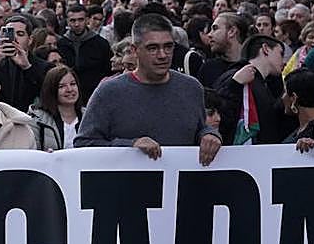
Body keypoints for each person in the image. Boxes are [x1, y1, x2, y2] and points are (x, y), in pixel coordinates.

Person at [76, 14, 222, 166]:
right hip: (127, 185)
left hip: (182, 186)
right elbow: (83, 143)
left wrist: (209, 134)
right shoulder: (109, 92)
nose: (162, 55)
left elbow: (198, 129)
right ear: (134, 50)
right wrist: (130, 146)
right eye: (153, 48)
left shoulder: (192, 88)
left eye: (168, 47)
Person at [213, 34, 289, 145]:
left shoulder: (267, 84)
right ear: (266, 49)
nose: (284, 61)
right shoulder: (235, 76)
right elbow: (218, 113)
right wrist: (234, 84)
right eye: (280, 53)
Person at [0, 15, 50, 113]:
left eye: (20, 34)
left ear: (30, 39)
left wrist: (27, 68)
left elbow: (47, 93)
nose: (15, 38)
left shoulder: (44, 67)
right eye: (10, 34)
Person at [56, 3, 112, 99]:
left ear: (86, 20)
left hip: (95, 93)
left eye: (80, 20)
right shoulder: (61, 44)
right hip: (68, 94)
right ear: (67, 22)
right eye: (73, 20)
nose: (77, 24)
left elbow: (108, 70)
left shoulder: (101, 43)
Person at [29, 65, 83, 151]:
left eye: (73, 84)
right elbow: (31, 152)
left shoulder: (89, 116)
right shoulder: (37, 119)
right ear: (51, 90)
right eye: (61, 86)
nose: (69, 89)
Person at [196, 12, 248, 88]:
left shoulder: (253, 67)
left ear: (232, 31)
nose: (209, 35)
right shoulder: (208, 68)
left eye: (215, 28)